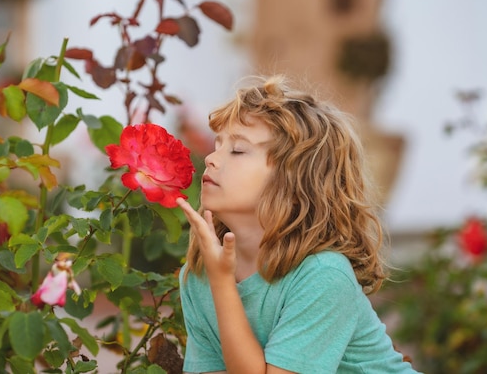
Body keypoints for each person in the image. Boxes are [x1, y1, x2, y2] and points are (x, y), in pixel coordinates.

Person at [176, 74, 420, 374]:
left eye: (237, 150)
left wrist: (222, 284)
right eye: (217, 145)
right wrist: (218, 280)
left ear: (293, 183)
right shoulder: (199, 275)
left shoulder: (322, 275)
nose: (211, 158)